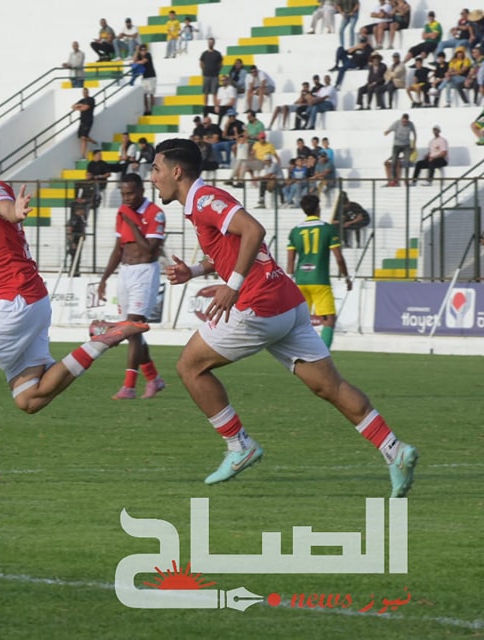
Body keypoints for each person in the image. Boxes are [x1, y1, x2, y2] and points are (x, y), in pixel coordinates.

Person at [153, 137, 418, 497]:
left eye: (156, 169)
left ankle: (239, 445)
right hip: (287, 303)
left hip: (258, 305)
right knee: (329, 386)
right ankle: (394, 450)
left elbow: (254, 231)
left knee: (189, 367)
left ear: (176, 172)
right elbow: (232, 246)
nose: (153, 177)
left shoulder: (203, 200)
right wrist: (196, 270)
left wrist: (232, 285)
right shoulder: (202, 203)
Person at [0, 125, 149, 483]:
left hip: (15, 300)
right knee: (30, 399)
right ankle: (99, 342)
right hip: (29, 300)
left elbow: (2, 205)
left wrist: (14, 211)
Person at [96, 173, 168, 400]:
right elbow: (119, 249)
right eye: (123, 194)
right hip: (125, 273)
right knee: (132, 331)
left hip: (145, 272)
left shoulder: (155, 213)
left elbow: (149, 249)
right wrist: (104, 279)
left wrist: (132, 223)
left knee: (132, 327)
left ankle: (129, 387)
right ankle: (154, 379)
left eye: (131, 193)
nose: (127, 198)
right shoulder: (122, 212)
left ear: (141, 191)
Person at [287, 194, 352, 349]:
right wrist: (346, 277)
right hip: (320, 281)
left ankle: (299, 352)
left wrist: (289, 280)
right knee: (328, 320)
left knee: (300, 322)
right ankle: (322, 354)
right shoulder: (327, 229)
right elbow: (339, 258)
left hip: (301, 281)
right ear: (318, 208)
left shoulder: (295, 231)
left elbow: (291, 260)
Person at [383, 112, 416, 186]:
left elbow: (415, 134)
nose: (404, 123)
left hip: (406, 145)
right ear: (401, 120)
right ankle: (394, 180)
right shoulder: (397, 123)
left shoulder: (411, 124)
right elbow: (390, 129)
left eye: (406, 122)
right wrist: (387, 132)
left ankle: (406, 180)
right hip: (397, 145)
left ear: (408, 121)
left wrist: (414, 145)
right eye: (403, 121)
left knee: (407, 162)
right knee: (394, 162)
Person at [72, 87, 98, 160]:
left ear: (88, 92)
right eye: (83, 92)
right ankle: (94, 142)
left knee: (83, 137)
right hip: (82, 120)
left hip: (88, 120)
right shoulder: (82, 100)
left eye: (86, 92)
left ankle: (83, 155)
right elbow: (73, 106)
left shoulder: (91, 99)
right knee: (81, 137)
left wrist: (79, 107)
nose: (84, 93)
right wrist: (81, 106)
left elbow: (85, 108)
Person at [200, 38, 224, 115]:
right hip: (206, 75)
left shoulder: (217, 54)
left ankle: (215, 106)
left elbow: (221, 64)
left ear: (214, 43)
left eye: (212, 42)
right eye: (209, 42)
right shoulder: (204, 54)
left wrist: (217, 70)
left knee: (215, 92)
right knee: (206, 92)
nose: (210, 43)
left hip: (214, 76)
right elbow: (201, 63)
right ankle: (205, 106)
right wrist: (204, 70)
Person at [134, 43, 157, 116]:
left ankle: (152, 110)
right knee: (145, 94)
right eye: (142, 50)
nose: (143, 51)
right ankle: (146, 110)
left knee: (151, 94)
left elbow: (143, 61)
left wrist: (136, 62)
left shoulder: (148, 55)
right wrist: (137, 51)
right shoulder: (140, 55)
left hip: (151, 76)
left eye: (145, 50)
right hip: (145, 77)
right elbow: (134, 60)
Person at [65, 201, 88, 276]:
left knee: (77, 257)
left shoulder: (80, 218)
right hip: (75, 241)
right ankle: (73, 272)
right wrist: (72, 242)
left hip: (78, 241)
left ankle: (76, 271)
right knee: (74, 257)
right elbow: (70, 229)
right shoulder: (74, 218)